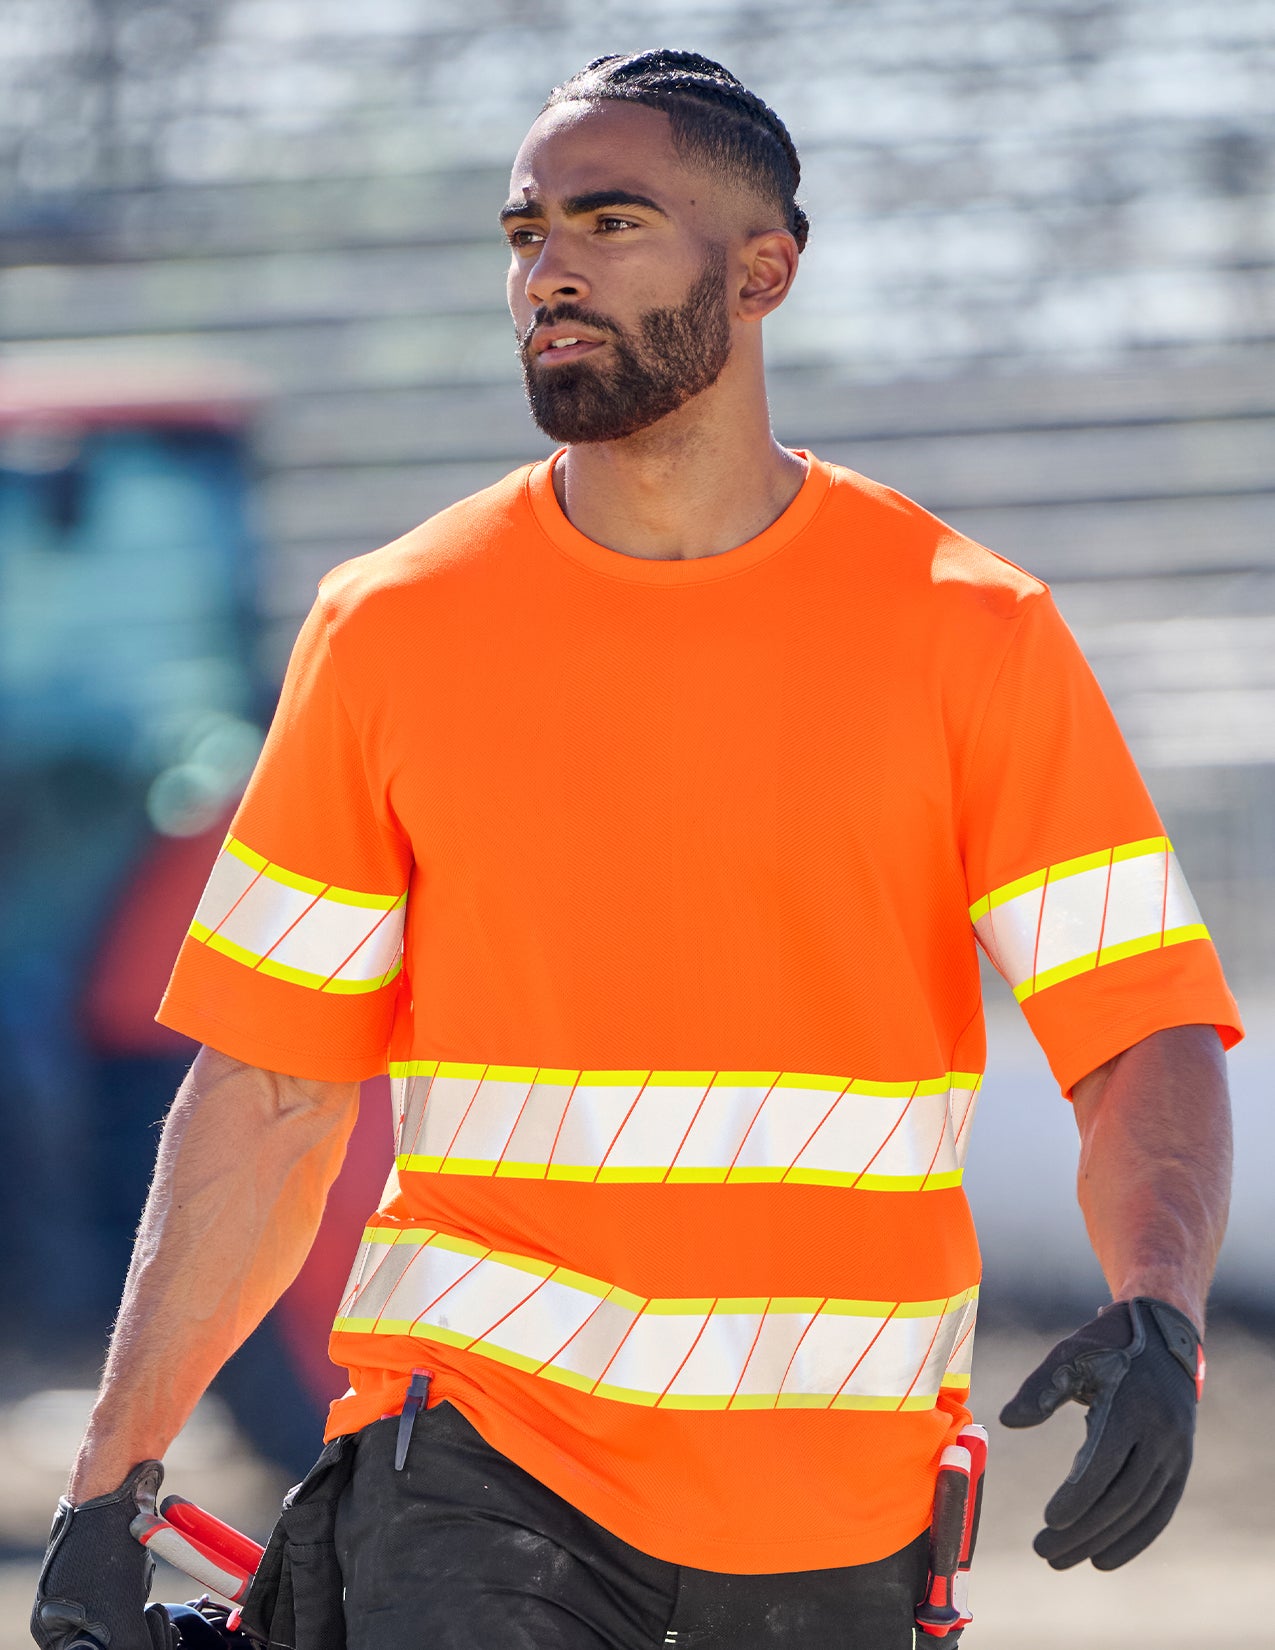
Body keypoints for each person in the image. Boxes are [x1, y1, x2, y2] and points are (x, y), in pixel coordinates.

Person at [34, 49, 1241, 1650]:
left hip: (839, 1507)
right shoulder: (391, 627)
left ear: (762, 273)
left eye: (611, 220)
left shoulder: (971, 632)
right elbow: (264, 1089)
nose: (551, 266)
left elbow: (1137, 1028)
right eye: (528, 228)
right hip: (472, 1469)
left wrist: (1161, 1305)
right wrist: (110, 1479)